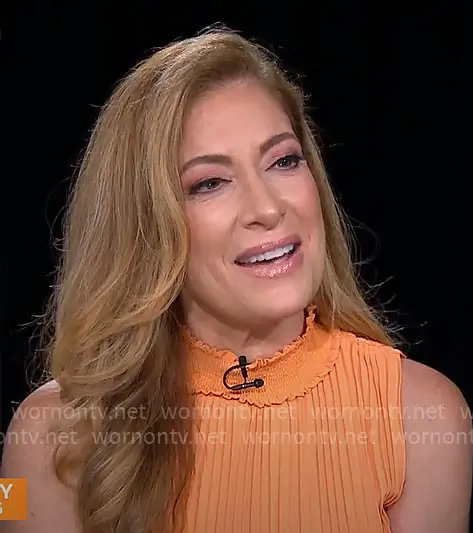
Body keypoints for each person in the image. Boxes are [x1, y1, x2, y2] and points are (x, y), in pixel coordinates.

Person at [1, 27, 471, 533]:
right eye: (210, 183)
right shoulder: (44, 437)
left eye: (283, 161)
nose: (267, 208)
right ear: (146, 226)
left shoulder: (425, 417)